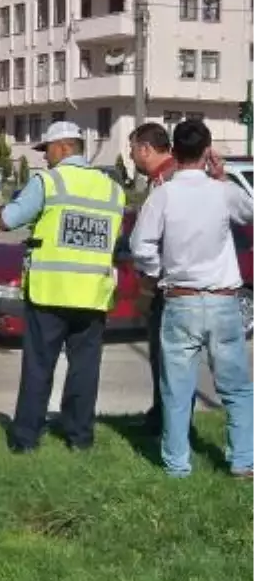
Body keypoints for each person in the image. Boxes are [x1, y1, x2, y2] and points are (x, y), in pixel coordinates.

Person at [130, 119, 254, 479]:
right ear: (207, 151)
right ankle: (243, 460)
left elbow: (141, 246)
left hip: (180, 299)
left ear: (174, 150)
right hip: (222, 300)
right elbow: (250, 211)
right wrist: (223, 175)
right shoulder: (222, 191)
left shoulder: (163, 194)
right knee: (236, 387)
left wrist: (159, 270)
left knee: (176, 389)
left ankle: (177, 464)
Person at [0, 121, 125, 453]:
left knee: (39, 367)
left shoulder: (49, 182)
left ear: (64, 147)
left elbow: (8, 220)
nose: (44, 157)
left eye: (47, 150)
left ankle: (26, 440)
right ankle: (80, 438)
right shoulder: (113, 189)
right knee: (85, 370)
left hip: (50, 293)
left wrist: (1, 210)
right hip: (92, 295)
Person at [128, 123, 178, 435]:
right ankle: (162, 416)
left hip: (167, 285)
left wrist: (147, 287)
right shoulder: (166, 177)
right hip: (173, 282)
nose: (131, 156)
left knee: (165, 358)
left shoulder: (166, 181)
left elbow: (154, 243)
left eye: (133, 149)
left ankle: (165, 421)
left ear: (146, 149)